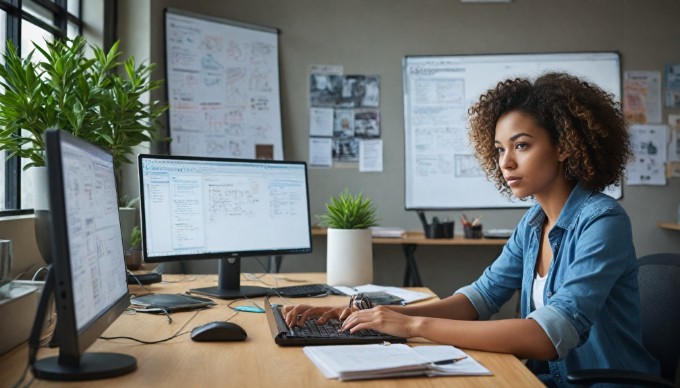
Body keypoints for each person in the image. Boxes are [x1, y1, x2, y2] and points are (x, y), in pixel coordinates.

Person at [284, 72, 660, 387]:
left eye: (522, 145)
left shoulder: (602, 222)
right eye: (498, 149)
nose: (506, 162)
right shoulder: (533, 225)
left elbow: (547, 337)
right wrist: (374, 316)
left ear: (564, 146)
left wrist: (412, 323)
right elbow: (479, 299)